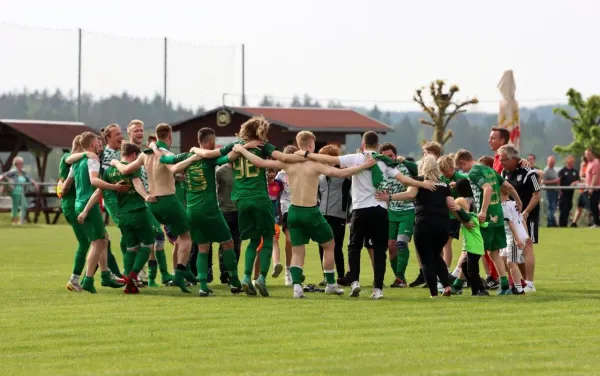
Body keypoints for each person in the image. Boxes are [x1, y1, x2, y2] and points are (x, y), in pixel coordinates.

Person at [233, 131, 375, 298]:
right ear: (310, 146)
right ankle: (330, 284)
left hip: (293, 211)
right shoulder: (314, 164)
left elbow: (260, 162)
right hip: (311, 211)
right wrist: (365, 165)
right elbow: (341, 173)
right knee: (329, 245)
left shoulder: (287, 163)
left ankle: (297, 289)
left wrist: (241, 149)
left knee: (297, 251)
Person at [298, 131, 434, 299]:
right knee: (379, 250)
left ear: (363, 144)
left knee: (354, 247)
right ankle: (378, 289)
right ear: (377, 146)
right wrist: (423, 183)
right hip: (380, 209)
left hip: (360, 209)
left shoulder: (356, 158)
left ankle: (355, 281)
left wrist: (305, 153)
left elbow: (330, 160)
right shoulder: (383, 161)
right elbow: (405, 180)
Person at [189, 116, 305, 296]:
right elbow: (282, 157)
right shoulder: (262, 146)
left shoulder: (236, 146)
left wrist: (195, 148)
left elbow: (213, 157)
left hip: (241, 201)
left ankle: (245, 277)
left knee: (251, 241)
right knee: (267, 239)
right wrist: (303, 156)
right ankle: (261, 279)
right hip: (259, 197)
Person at [111, 123, 198, 293]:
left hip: (152, 203)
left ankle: (142, 276)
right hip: (169, 200)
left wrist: (115, 162)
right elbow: (174, 168)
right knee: (186, 237)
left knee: (149, 241)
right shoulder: (168, 154)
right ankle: (180, 272)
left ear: (156, 136)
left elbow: (127, 169)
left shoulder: (144, 155)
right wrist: (192, 159)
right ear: (170, 136)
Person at [159, 128, 244, 296]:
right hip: (211, 210)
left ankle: (203, 286)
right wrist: (242, 143)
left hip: (191, 210)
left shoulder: (184, 157)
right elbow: (229, 156)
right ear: (211, 141)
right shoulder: (210, 160)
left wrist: (155, 149)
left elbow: (164, 158)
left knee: (202, 247)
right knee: (227, 243)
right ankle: (234, 282)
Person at [376, 155, 458, 298]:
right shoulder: (444, 184)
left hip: (425, 223)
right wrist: (464, 218)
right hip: (443, 225)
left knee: (426, 259)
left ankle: (434, 293)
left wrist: (389, 197)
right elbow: (451, 204)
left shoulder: (419, 181)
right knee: (437, 256)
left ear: (422, 166)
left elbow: (409, 195)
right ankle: (447, 286)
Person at [454, 149, 522, 295]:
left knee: (472, 251)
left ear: (463, 162)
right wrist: (518, 200)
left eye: (461, 167)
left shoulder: (474, 172)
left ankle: (457, 284)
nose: (462, 171)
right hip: (497, 215)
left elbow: (488, 189)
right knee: (493, 253)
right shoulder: (489, 170)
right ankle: (504, 287)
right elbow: (508, 186)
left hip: (486, 218)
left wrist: (483, 211)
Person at [70, 132, 127, 293]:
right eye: (99, 144)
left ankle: (105, 275)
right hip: (89, 203)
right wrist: (114, 187)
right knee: (97, 243)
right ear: (92, 145)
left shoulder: (78, 160)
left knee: (103, 239)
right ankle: (89, 279)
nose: (101, 146)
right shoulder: (92, 159)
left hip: (79, 202)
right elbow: (94, 181)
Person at [102, 143, 157, 293]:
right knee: (147, 245)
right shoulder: (133, 167)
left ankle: (129, 285)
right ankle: (132, 276)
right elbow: (137, 182)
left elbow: (105, 191)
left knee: (130, 248)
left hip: (122, 215)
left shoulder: (110, 171)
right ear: (134, 155)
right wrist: (145, 196)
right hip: (138, 212)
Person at [127, 120, 171, 287]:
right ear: (129, 133)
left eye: (141, 130)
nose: (139, 133)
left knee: (152, 239)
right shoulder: (129, 153)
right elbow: (134, 179)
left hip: (150, 199)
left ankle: (148, 276)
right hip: (136, 203)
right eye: (136, 130)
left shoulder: (144, 151)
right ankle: (146, 275)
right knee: (150, 238)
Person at [498, 144, 539, 293]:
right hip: (512, 214)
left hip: (529, 213)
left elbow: (536, 195)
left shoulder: (528, 172)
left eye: (504, 160)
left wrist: (526, 212)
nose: (501, 163)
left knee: (527, 245)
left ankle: (530, 282)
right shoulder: (503, 172)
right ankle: (520, 281)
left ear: (514, 159)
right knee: (515, 250)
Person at [378, 142, 416, 288]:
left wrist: (404, 160)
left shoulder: (404, 168)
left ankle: (400, 278)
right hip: (391, 212)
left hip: (407, 210)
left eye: (391, 156)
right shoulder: (381, 170)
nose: (389, 158)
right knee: (391, 246)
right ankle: (400, 278)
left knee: (401, 243)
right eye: (385, 156)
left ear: (395, 155)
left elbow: (417, 170)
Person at [316, 144, 352, 286]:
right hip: (322, 214)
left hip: (339, 215)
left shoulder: (345, 176)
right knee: (322, 245)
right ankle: (326, 276)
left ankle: (341, 276)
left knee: (337, 246)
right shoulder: (320, 177)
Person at [59, 135, 91, 292]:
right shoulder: (68, 158)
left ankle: (88, 278)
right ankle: (75, 279)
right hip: (72, 206)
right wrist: (87, 154)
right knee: (86, 242)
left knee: (98, 241)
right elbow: (70, 159)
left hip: (72, 205)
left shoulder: (73, 160)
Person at [449, 178, 488, 296]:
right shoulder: (470, 216)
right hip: (472, 247)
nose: (468, 202)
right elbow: (483, 224)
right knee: (465, 267)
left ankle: (481, 290)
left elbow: (465, 217)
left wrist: (459, 209)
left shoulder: (470, 216)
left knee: (471, 269)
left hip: (475, 247)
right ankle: (475, 290)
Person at [499, 185, 530, 295]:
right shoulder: (514, 204)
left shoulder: (503, 206)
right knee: (503, 258)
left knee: (511, 262)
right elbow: (522, 220)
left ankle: (519, 289)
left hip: (513, 236)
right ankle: (515, 283)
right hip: (515, 235)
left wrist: (517, 238)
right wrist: (526, 235)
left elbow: (511, 223)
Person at [215, 161, 241, 285]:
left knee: (237, 244)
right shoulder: (220, 171)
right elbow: (214, 189)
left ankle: (233, 274)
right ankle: (224, 273)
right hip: (224, 210)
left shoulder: (241, 170)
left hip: (238, 210)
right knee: (224, 244)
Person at [275, 145, 298, 286]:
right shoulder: (280, 175)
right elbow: (274, 194)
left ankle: (296, 270)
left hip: (300, 207)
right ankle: (288, 271)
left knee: (298, 242)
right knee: (290, 240)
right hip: (286, 209)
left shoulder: (301, 172)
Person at [0, 156, 39, 225]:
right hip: (14, 191)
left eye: (22, 163)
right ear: (16, 164)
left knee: (24, 205)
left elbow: (29, 179)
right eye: (20, 163)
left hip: (21, 192)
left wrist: (34, 183)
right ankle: (14, 221)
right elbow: (2, 176)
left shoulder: (23, 172)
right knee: (16, 205)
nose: (21, 165)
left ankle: (21, 220)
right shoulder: (13, 172)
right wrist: (8, 180)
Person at [558, 155, 580, 227]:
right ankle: (562, 225)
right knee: (563, 210)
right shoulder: (562, 171)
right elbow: (559, 181)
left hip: (571, 194)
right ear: (567, 161)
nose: (571, 163)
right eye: (569, 161)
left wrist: (576, 182)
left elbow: (578, 180)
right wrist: (560, 191)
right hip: (563, 194)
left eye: (572, 161)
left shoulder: (575, 171)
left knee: (568, 208)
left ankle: (565, 224)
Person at [572, 156, 590, 227]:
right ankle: (574, 223)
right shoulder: (583, 166)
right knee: (579, 207)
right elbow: (581, 177)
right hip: (582, 190)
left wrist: (584, 178)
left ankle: (592, 222)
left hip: (588, 190)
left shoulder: (591, 166)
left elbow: (587, 178)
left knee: (590, 207)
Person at [542, 155, 560, 227]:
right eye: (551, 162)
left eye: (553, 162)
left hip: (555, 191)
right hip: (550, 191)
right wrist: (554, 181)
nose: (552, 163)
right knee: (551, 207)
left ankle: (552, 222)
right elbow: (543, 181)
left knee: (554, 207)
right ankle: (550, 223)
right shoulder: (546, 170)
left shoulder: (554, 170)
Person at [584, 148, 600, 227]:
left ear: (592, 154)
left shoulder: (595, 163)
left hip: (595, 189)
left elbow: (595, 176)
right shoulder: (589, 163)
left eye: (588, 155)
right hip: (589, 188)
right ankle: (596, 222)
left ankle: (597, 223)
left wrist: (591, 188)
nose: (587, 156)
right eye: (586, 155)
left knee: (594, 205)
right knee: (592, 206)